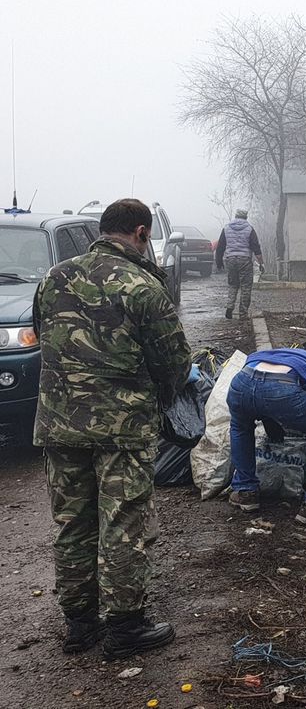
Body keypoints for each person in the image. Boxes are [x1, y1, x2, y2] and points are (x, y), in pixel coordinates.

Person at [33, 199, 191, 658]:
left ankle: (79, 626)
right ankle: (125, 628)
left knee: (72, 524)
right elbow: (175, 365)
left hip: (60, 426)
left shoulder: (54, 277)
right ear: (141, 233)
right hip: (121, 429)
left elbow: (47, 339)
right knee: (122, 524)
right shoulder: (143, 286)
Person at [226, 348, 306, 525]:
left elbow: (257, 387)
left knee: (240, 427)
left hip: (242, 381)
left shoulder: (295, 357)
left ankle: (245, 492)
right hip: (282, 388)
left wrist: (269, 419)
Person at [215, 209, 265, 320]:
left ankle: (229, 306)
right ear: (246, 217)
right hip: (245, 260)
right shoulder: (249, 229)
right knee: (246, 287)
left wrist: (219, 262)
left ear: (236, 216)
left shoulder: (226, 228)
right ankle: (243, 313)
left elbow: (220, 246)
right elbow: (256, 247)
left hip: (230, 259)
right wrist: (261, 263)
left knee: (233, 284)